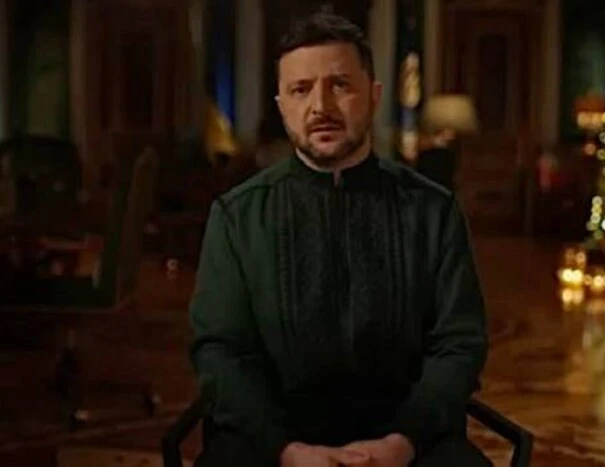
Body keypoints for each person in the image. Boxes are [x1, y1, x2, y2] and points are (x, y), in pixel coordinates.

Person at [189, 11, 490, 467]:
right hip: (272, 446)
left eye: (340, 85)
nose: (321, 107)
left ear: (374, 95)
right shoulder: (237, 217)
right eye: (300, 89)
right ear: (281, 105)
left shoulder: (434, 211)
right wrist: (287, 451)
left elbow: (459, 345)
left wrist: (401, 444)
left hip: (410, 442)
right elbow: (220, 354)